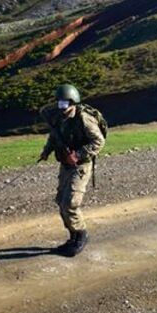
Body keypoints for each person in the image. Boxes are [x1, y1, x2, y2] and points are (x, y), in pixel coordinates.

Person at [38, 84, 106, 257]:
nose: (62, 106)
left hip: (80, 166)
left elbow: (98, 141)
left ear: (73, 102)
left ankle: (81, 234)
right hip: (65, 165)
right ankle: (73, 236)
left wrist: (77, 155)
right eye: (60, 103)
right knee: (61, 201)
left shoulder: (84, 119)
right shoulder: (60, 119)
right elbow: (54, 137)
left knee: (70, 203)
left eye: (65, 103)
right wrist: (46, 151)